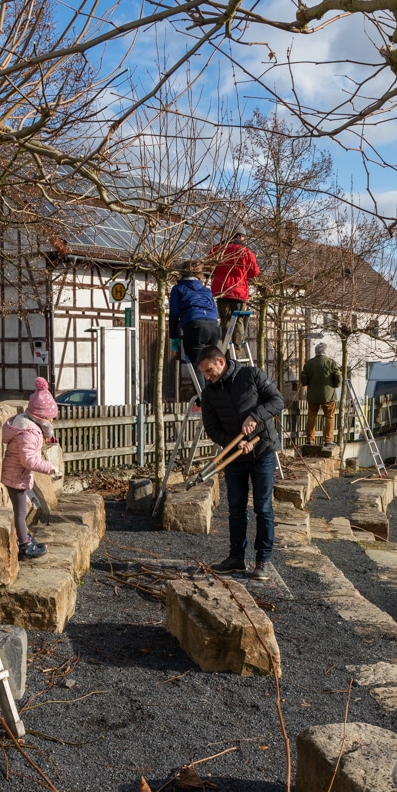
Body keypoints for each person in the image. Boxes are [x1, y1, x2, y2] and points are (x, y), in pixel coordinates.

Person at [197, 345, 285, 581]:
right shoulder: (210, 393)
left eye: (209, 370)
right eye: (204, 373)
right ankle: (236, 558)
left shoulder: (252, 375)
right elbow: (212, 429)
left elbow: (277, 401)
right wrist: (234, 444)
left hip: (263, 450)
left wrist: (254, 416)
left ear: (220, 362)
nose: (207, 376)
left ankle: (263, 560)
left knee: (262, 507)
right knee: (236, 508)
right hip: (235, 456)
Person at [1, 377, 63, 559]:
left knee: (21, 511)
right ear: (42, 417)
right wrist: (49, 468)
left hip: (16, 473)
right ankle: (25, 546)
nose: (52, 420)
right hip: (16, 476)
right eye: (51, 417)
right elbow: (29, 460)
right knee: (20, 512)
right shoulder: (30, 433)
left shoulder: (25, 425)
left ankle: (25, 537)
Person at [168, 260, 220, 392]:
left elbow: (174, 313)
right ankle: (217, 396)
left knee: (198, 365)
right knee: (212, 363)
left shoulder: (178, 289)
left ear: (181, 273)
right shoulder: (206, 290)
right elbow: (215, 310)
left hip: (195, 326)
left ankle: (203, 401)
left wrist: (173, 336)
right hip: (213, 326)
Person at [208, 229, 260, 349]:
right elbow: (254, 272)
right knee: (238, 320)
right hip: (239, 291)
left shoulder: (217, 250)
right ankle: (237, 348)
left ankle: (226, 347)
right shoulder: (246, 251)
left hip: (221, 290)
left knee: (225, 320)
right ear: (241, 237)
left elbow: (209, 268)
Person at [299, 343, 341, 445]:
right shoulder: (331, 363)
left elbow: (303, 380)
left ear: (316, 351)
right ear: (325, 351)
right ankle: (328, 440)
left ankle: (310, 440)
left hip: (313, 395)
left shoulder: (309, 364)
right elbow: (338, 378)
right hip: (328, 395)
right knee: (329, 417)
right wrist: (334, 385)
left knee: (311, 417)